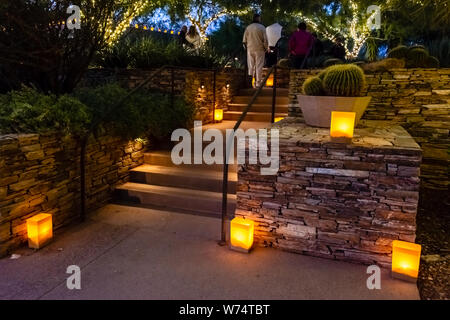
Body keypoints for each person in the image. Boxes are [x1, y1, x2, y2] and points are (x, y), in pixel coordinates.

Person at [243, 13, 269, 88]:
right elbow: (265, 40)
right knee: (259, 66)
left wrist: (246, 49)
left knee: (251, 66)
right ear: (258, 18)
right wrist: (266, 48)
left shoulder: (248, 27)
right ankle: (258, 83)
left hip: (250, 49)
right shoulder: (262, 28)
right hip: (259, 49)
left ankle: (250, 82)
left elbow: (244, 40)